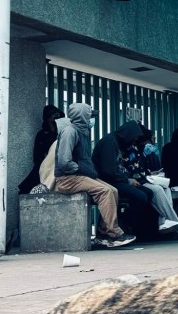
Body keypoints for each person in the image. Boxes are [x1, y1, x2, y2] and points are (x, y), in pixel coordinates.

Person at [52, 102, 135, 248]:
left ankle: (103, 233)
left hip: (80, 177)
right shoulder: (70, 132)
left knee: (113, 191)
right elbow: (64, 161)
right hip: (68, 179)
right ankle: (114, 233)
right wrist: (80, 168)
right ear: (82, 116)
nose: (92, 118)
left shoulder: (82, 132)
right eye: (90, 115)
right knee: (105, 191)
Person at [93, 120, 178, 235]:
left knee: (148, 193)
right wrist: (128, 180)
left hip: (117, 179)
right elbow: (109, 170)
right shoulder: (109, 143)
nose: (135, 141)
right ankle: (124, 225)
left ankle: (130, 226)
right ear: (129, 134)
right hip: (108, 181)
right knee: (141, 196)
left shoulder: (118, 143)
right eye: (134, 138)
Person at [18, 105, 64, 194]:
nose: (56, 119)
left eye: (58, 116)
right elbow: (37, 154)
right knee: (27, 187)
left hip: (59, 163)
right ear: (48, 118)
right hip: (45, 163)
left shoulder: (63, 132)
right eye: (54, 116)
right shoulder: (42, 134)